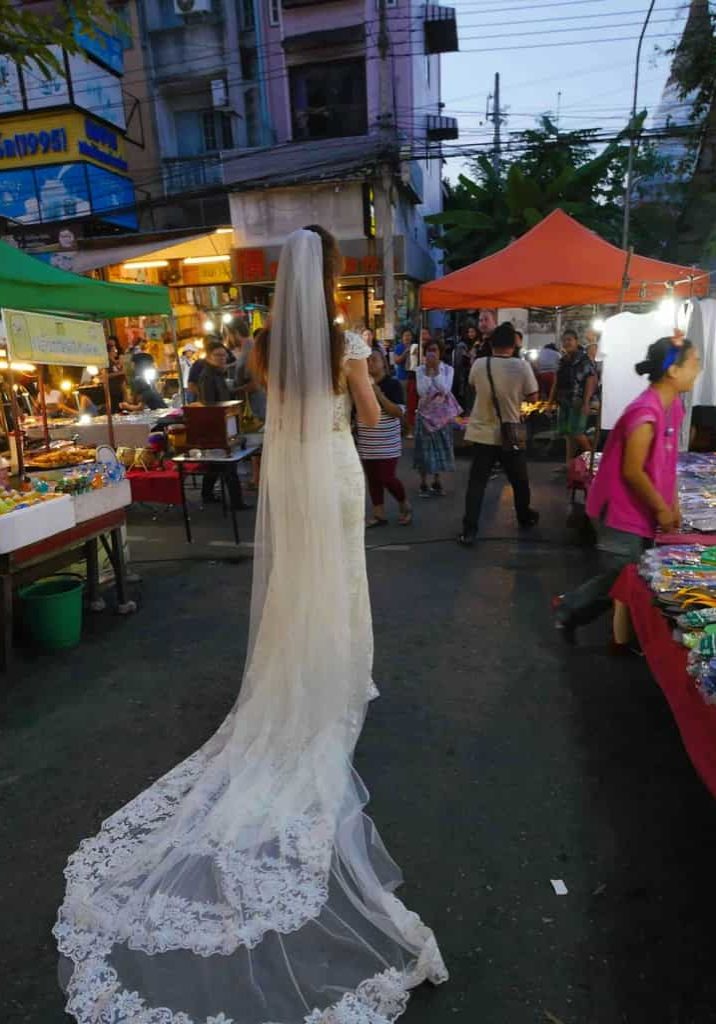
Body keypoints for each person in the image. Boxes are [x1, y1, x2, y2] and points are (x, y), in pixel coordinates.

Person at [55, 225, 447, 1023]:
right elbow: (372, 415)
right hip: (333, 468)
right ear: (332, 279)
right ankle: (339, 674)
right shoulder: (346, 344)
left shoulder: (266, 350)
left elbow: (271, 412)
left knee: (300, 581)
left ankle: (301, 669)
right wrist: (371, 379)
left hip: (291, 475)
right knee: (341, 579)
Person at [553, 336, 700, 647]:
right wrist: (661, 507)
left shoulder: (672, 406)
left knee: (639, 574)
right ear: (673, 370)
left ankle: (616, 630)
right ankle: (571, 608)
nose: (698, 369)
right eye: (694, 363)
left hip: (641, 509)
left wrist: (672, 503)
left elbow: (667, 460)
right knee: (626, 576)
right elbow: (633, 470)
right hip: (619, 510)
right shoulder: (644, 411)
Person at [457, 322, 540, 546]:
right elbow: (533, 397)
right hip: (510, 434)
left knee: (477, 483)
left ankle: (469, 530)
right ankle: (524, 517)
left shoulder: (479, 364)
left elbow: (473, 387)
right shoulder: (521, 366)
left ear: (492, 343)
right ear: (513, 345)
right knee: (519, 481)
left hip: (482, 433)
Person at [358, 349, 412, 527]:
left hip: (387, 442)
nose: (370, 363)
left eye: (374, 359)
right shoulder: (359, 384)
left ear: (383, 363)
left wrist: (379, 395)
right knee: (373, 478)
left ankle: (404, 503)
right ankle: (378, 513)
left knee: (387, 477)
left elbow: (398, 412)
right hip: (367, 440)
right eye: (367, 360)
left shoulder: (393, 385)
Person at [414, 338, 456, 497]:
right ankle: (423, 482)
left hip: (441, 416)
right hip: (424, 415)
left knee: (440, 448)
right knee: (423, 449)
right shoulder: (419, 370)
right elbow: (422, 391)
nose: (432, 353)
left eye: (435, 350)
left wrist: (436, 372)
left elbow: (445, 390)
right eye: (429, 350)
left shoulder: (448, 369)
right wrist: (428, 373)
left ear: (440, 352)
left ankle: (437, 481)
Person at [550, 328, 597, 463]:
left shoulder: (583, 359)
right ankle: (569, 465)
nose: (567, 343)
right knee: (568, 434)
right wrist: (550, 401)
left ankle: (592, 462)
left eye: (569, 340)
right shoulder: (562, 360)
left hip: (579, 401)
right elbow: (556, 381)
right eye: (564, 340)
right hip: (564, 401)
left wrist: (587, 402)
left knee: (577, 432)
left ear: (576, 341)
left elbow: (590, 380)